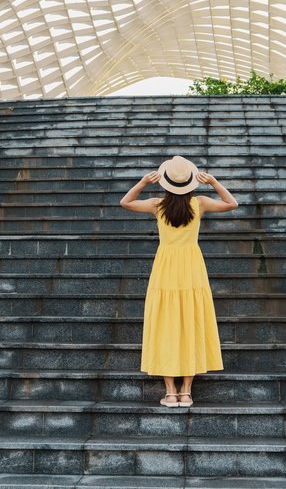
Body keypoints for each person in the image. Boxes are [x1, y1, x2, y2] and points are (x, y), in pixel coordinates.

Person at [119, 154, 239, 408]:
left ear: (165, 182)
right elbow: (232, 203)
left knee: (166, 324)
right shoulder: (201, 203)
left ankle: (170, 392)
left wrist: (142, 182)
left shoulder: (156, 205)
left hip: (165, 267)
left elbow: (125, 202)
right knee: (191, 322)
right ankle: (186, 391)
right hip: (192, 267)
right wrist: (214, 182)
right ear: (191, 182)